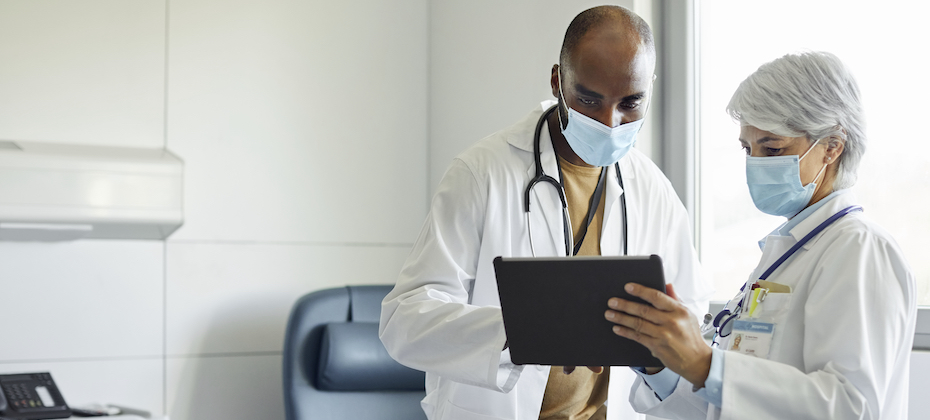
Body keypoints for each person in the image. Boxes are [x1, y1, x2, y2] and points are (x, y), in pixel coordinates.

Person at [379, 5, 713, 420]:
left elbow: (692, 315)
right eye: (589, 100)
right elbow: (404, 321)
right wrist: (528, 333)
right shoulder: (483, 172)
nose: (610, 122)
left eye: (631, 102)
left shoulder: (652, 188)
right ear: (558, 81)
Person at [603, 51, 917, 419]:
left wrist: (708, 365)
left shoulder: (860, 250)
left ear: (832, 146)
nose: (755, 163)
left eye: (772, 148)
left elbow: (851, 408)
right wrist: (660, 361)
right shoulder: (788, 252)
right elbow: (726, 405)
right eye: (747, 148)